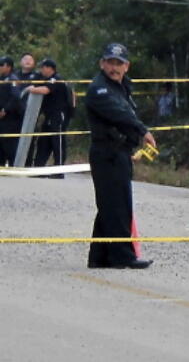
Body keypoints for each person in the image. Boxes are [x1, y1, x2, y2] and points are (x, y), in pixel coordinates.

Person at [84, 43, 156, 269]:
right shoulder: (99, 89)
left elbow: (126, 111)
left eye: (119, 63)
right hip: (107, 153)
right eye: (110, 62)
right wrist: (143, 130)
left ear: (127, 66)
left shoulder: (122, 87)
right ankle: (123, 256)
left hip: (120, 152)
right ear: (102, 64)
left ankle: (100, 256)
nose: (114, 68)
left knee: (111, 204)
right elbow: (120, 114)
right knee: (117, 206)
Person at [29, 58, 75, 175]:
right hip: (49, 116)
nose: (41, 70)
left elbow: (45, 90)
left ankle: (58, 170)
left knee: (57, 141)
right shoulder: (46, 79)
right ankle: (39, 168)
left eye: (43, 67)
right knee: (43, 141)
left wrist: (32, 89)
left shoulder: (56, 79)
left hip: (58, 115)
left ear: (50, 68)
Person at [0, 57, 23, 166]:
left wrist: (6, 110)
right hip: (2, 118)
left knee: (9, 143)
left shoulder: (13, 78)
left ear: (8, 67)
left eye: (1, 65)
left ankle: (13, 166)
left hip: (10, 117)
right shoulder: (2, 78)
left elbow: (15, 97)